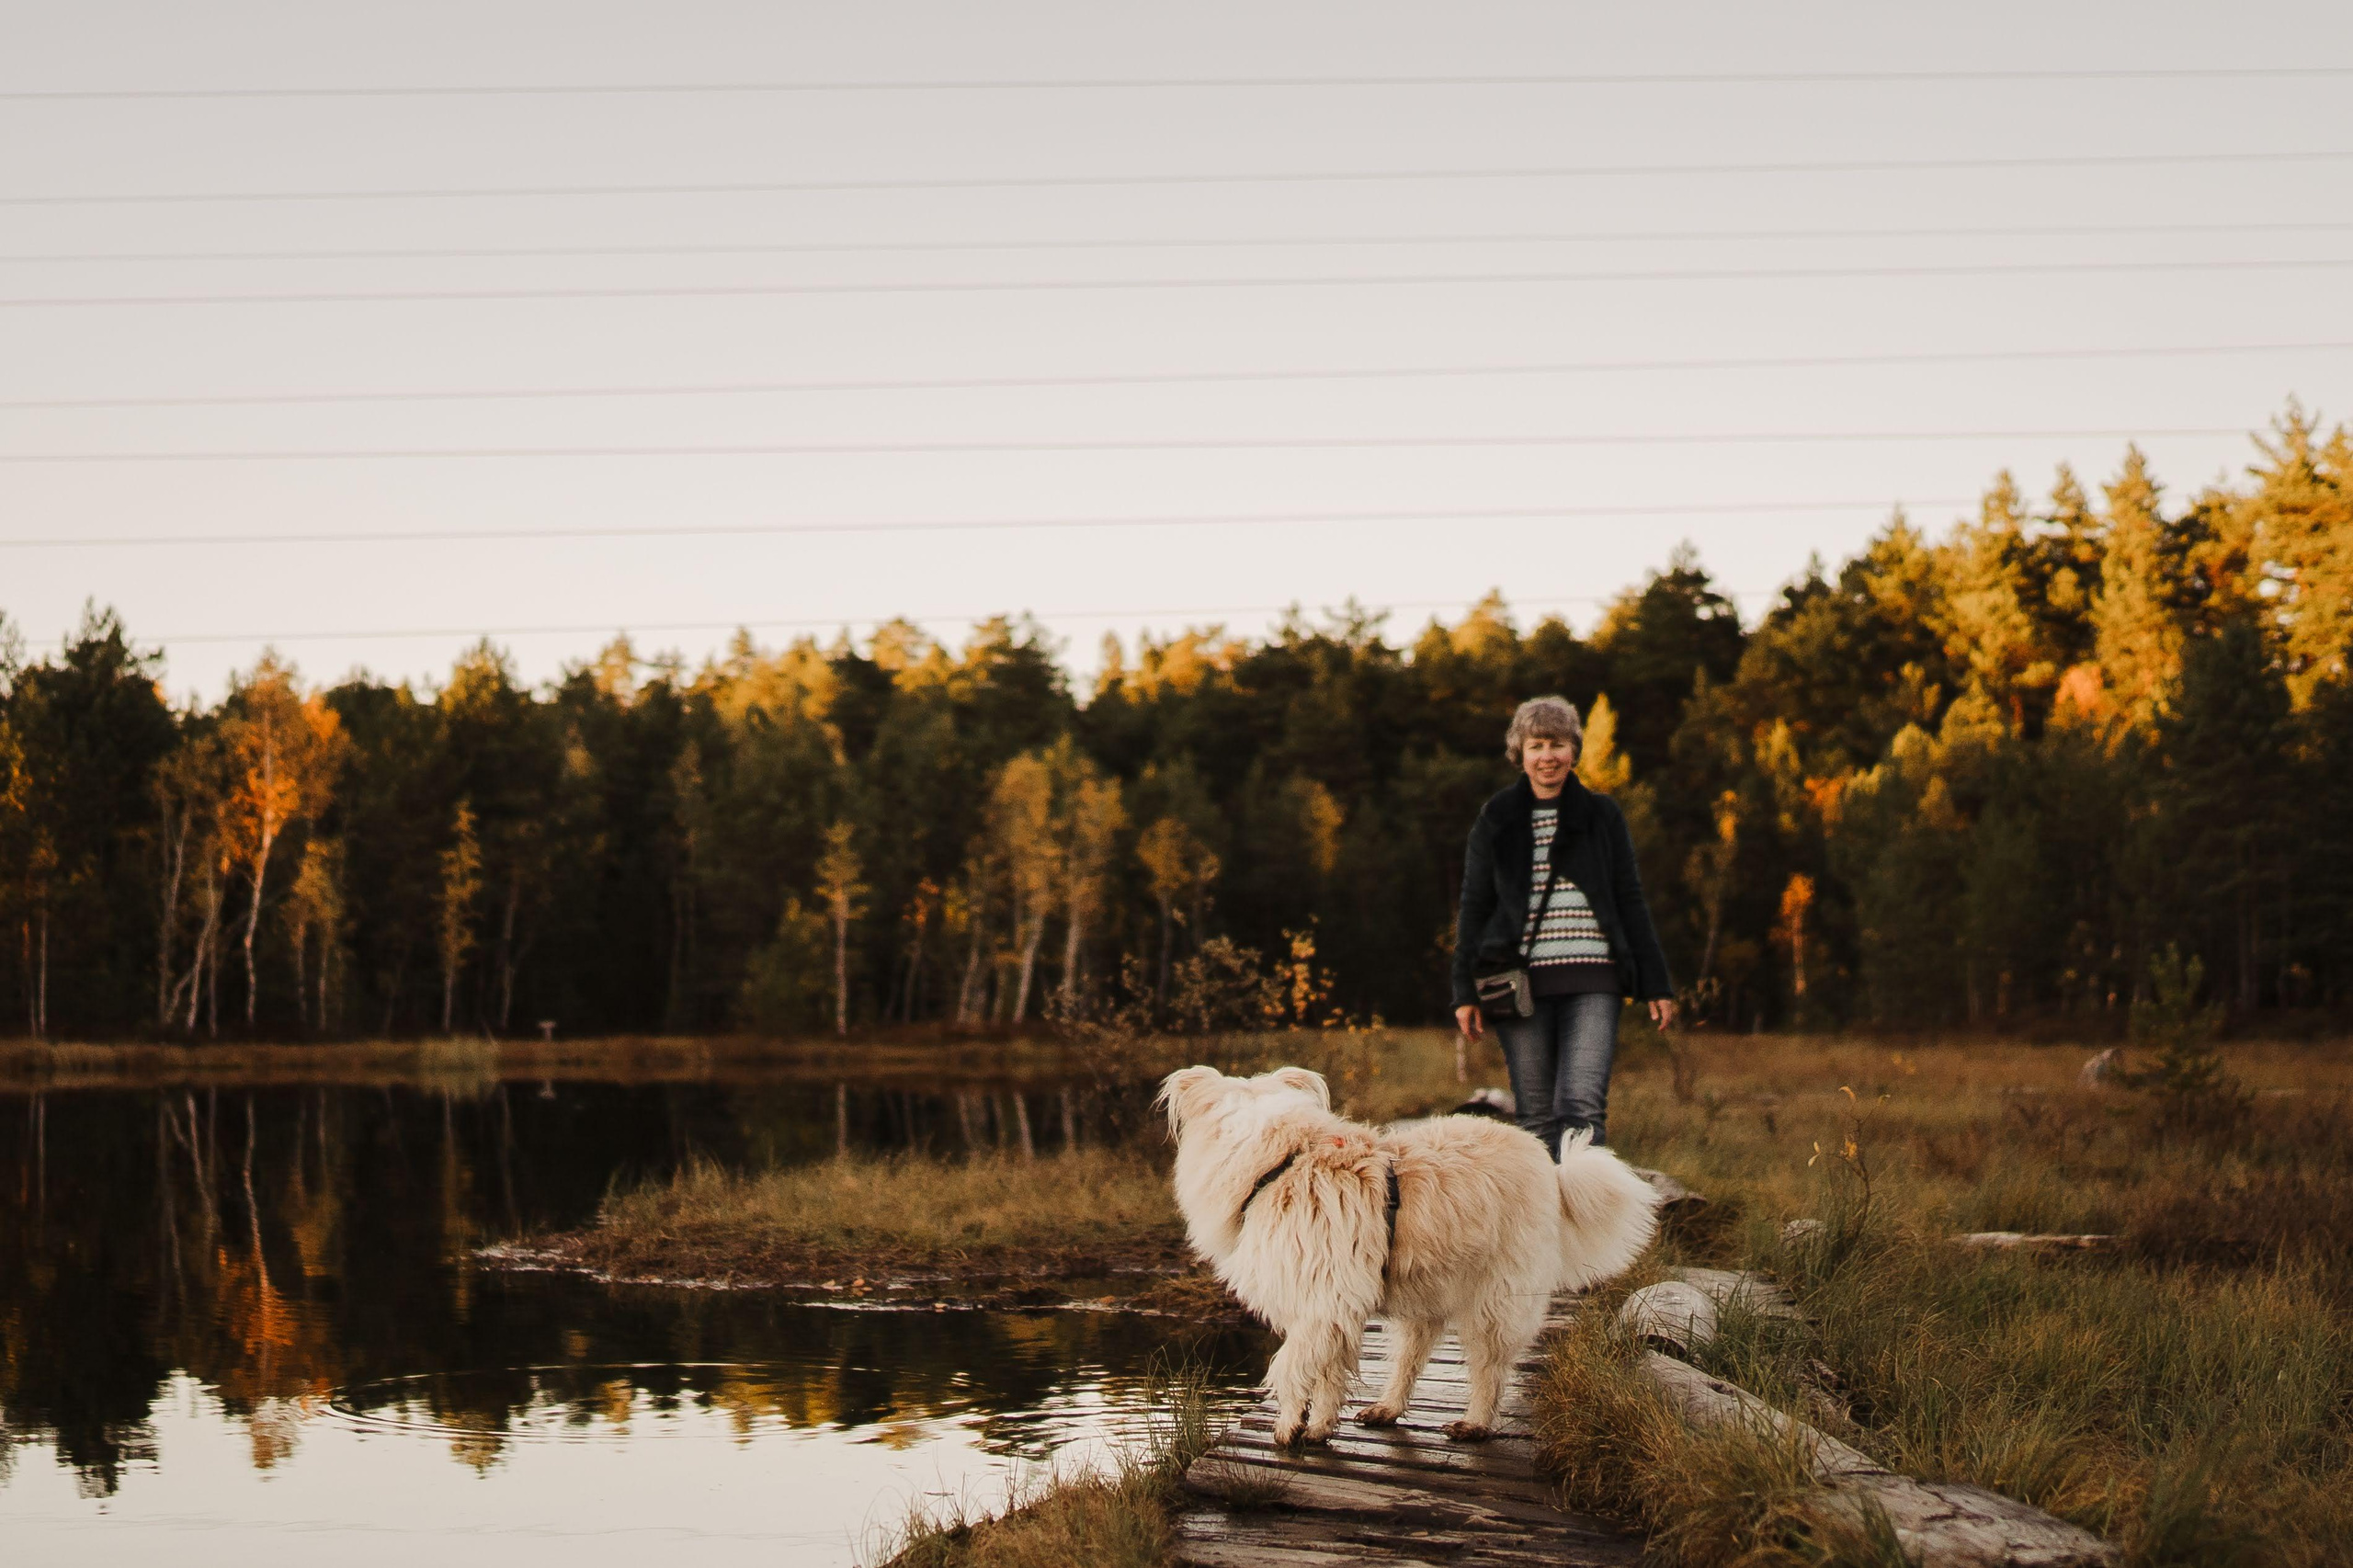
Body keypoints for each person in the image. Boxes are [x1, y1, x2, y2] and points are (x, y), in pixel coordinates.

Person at [1450, 696, 1675, 1153]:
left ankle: (1588, 1203)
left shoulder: (1602, 815)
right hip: (1517, 984)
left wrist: (1657, 983)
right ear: (1520, 752)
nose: (1547, 756)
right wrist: (1464, 993)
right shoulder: (1497, 817)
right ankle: (1544, 1204)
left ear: (1573, 749)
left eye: (1557, 744)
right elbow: (1474, 906)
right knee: (1535, 1117)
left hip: (1595, 980)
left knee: (1582, 1109)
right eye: (1536, 745)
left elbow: (1630, 900)